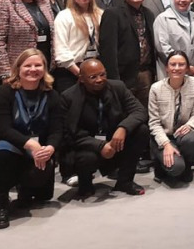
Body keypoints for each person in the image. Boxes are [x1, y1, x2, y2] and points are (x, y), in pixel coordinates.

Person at [0, 49, 63, 229]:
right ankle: (1, 203)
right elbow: (0, 128)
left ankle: (26, 191)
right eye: (28, 65)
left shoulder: (52, 95)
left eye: (38, 65)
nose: (33, 69)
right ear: (18, 69)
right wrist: (30, 144)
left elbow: (57, 130)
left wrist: (50, 148)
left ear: (45, 68)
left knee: (44, 168)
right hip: (9, 146)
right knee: (0, 153)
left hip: (37, 150)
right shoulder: (3, 93)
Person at [59, 59, 149, 198]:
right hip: (87, 146)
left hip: (114, 141)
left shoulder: (117, 87)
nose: (100, 79)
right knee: (85, 157)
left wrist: (123, 128)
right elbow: (70, 134)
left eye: (102, 74)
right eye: (93, 77)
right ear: (81, 79)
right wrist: (100, 146)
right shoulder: (68, 97)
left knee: (141, 130)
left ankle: (125, 182)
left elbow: (139, 111)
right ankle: (85, 185)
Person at [98, 0, 156, 108]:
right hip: (124, 76)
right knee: (123, 113)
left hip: (145, 75)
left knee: (143, 113)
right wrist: (114, 81)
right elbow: (108, 51)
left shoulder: (149, 14)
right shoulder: (113, 14)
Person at [147, 51, 194, 186]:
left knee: (192, 139)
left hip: (183, 134)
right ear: (166, 68)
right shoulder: (156, 88)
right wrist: (166, 144)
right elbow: (154, 123)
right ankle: (162, 164)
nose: (176, 68)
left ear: (187, 68)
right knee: (176, 169)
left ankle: (187, 165)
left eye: (181, 64)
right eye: (173, 64)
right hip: (163, 136)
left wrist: (189, 125)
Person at [52, 0, 103, 92]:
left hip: (94, 71)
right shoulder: (64, 16)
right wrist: (80, 74)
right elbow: (60, 49)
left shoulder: (100, 15)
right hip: (70, 72)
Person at [153, 0, 194, 79]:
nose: (183, 0)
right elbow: (162, 47)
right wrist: (185, 67)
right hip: (171, 73)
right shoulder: (163, 19)